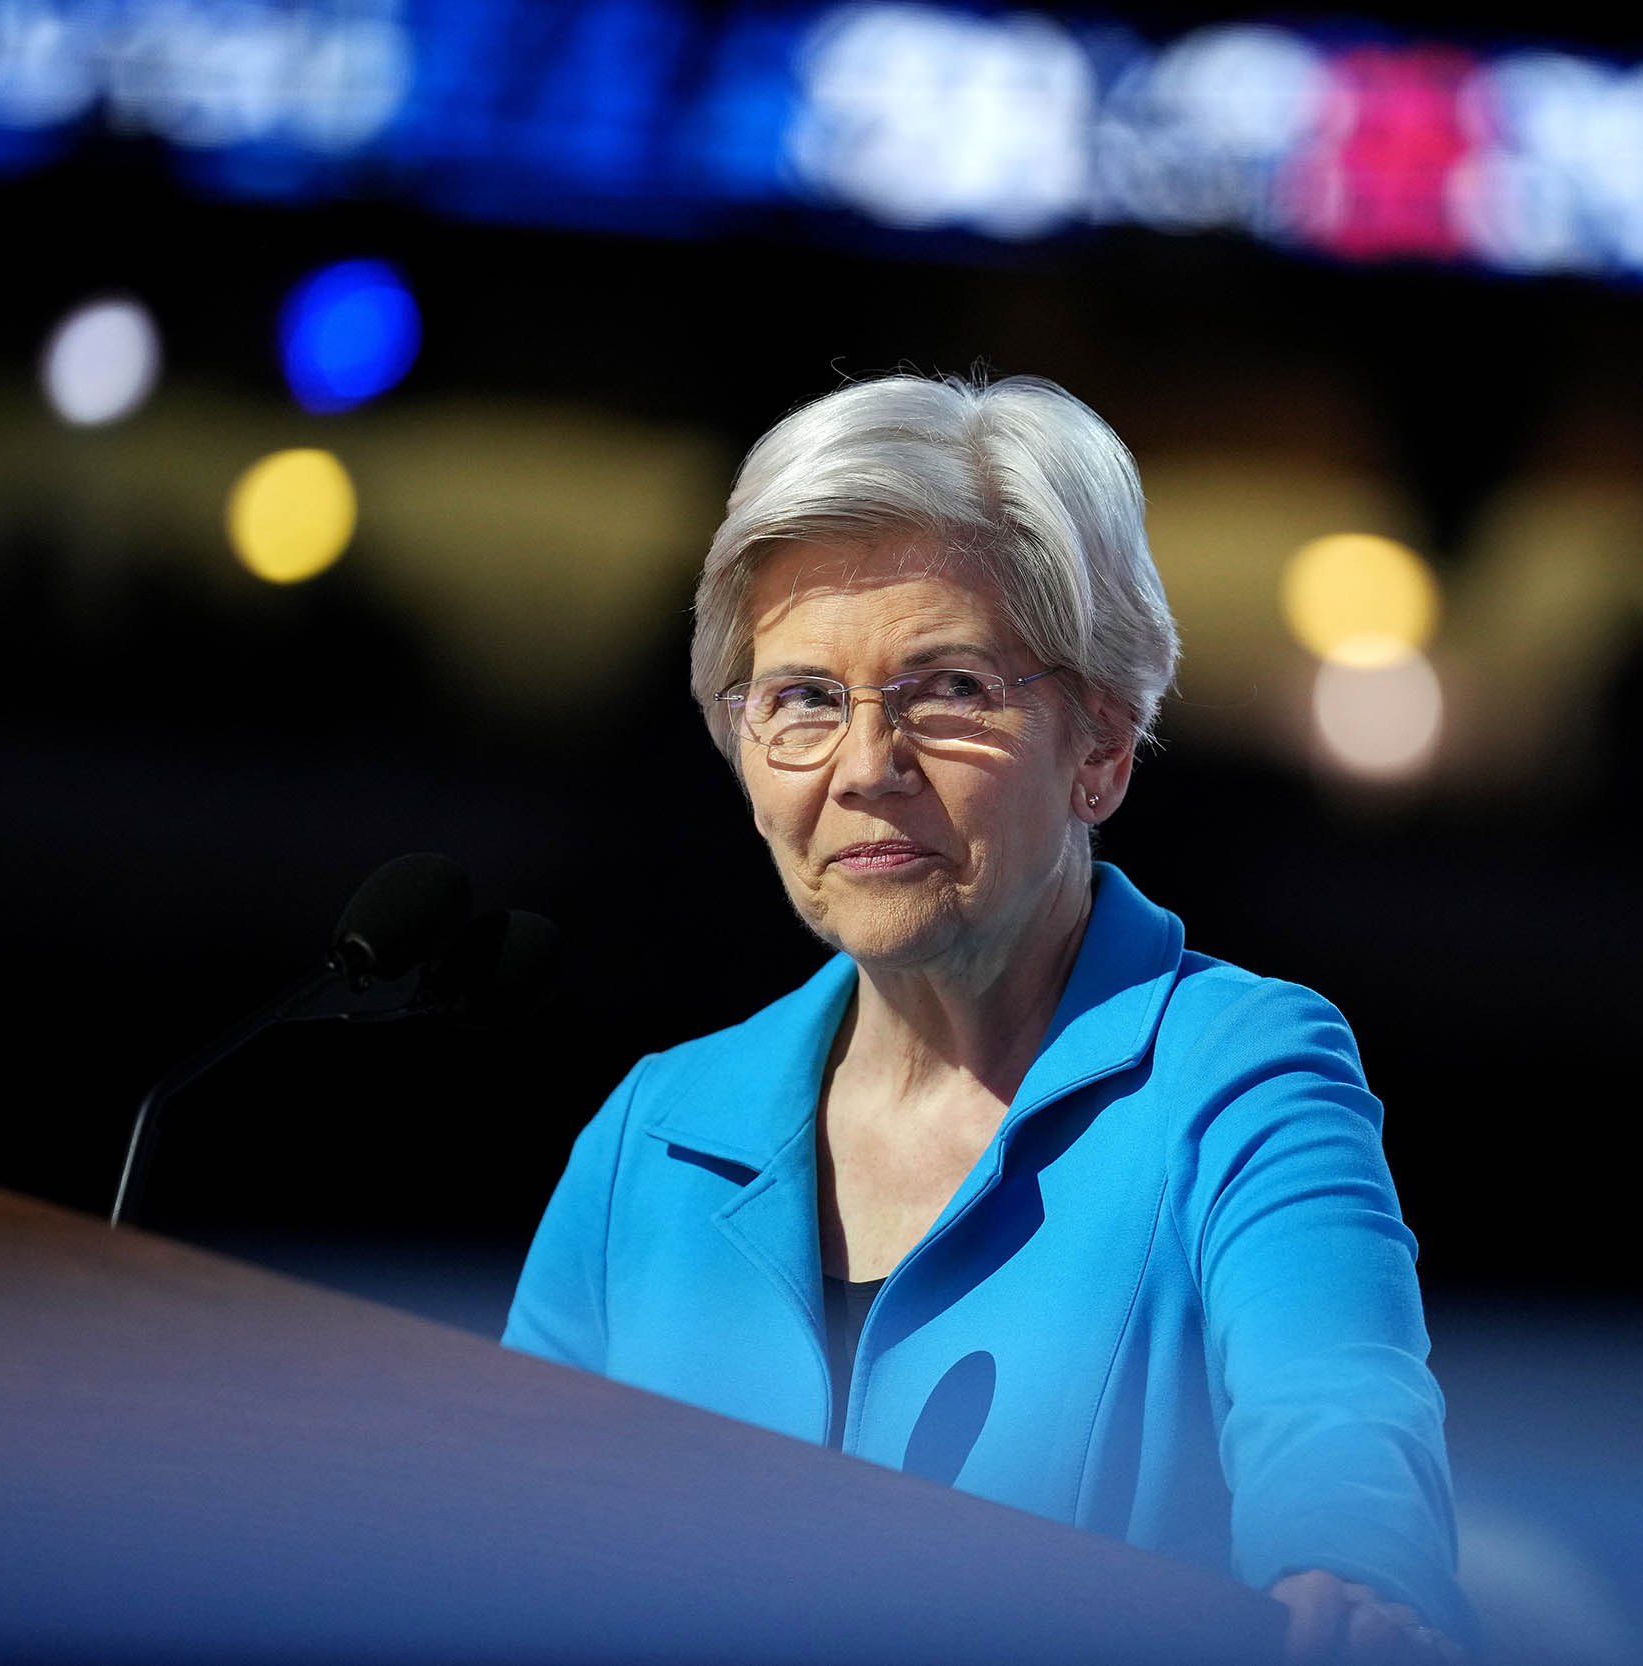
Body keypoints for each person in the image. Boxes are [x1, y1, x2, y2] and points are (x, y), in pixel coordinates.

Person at [503, 373, 1468, 1663]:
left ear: (1103, 747)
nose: (863, 768)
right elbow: (494, 1550)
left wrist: (1350, 1569)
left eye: (946, 688)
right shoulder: (652, 1138)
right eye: (800, 700)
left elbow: (1341, 1417)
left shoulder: (1242, 1080)